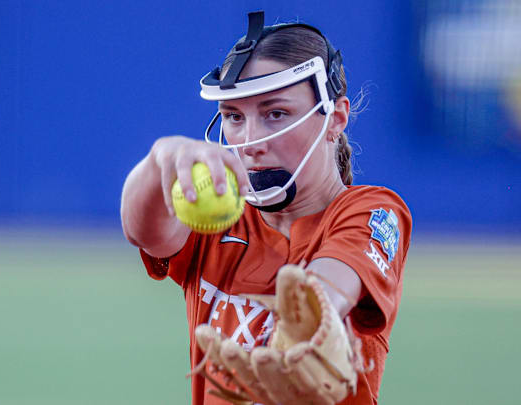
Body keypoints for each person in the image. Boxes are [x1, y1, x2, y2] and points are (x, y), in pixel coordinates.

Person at [120, 11, 411, 405]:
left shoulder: (368, 209)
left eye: (276, 114)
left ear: (335, 118)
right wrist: (158, 160)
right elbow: (141, 231)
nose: (251, 140)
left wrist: (306, 328)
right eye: (234, 117)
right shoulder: (221, 219)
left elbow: (326, 291)